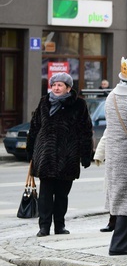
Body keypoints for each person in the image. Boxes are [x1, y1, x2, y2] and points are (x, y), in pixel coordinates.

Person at [27, 72, 93, 237]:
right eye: (54, 85)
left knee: (62, 195)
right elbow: (34, 127)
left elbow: (85, 131)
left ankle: (59, 226)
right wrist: (30, 151)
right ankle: (44, 227)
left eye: (60, 85)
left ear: (68, 88)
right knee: (46, 194)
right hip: (46, 155)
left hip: (68, 156)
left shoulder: (78, 105)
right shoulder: (44, 102)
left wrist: (86, 154)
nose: (56, 88)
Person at [94, 56, 127, 255]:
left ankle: (125, 243)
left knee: (123, 197)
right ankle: (121, 244)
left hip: (116, 155)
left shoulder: (112, 95)